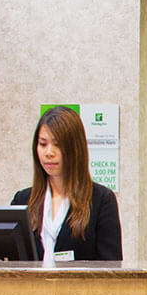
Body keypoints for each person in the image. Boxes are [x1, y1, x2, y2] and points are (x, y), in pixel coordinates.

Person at [12, 106, 122, 260]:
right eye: (43, 144)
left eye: (57, 144)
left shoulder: (101, 200)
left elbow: (111, 268)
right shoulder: (22, 200)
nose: (49, 152)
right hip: (32, 285)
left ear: (75, 148)